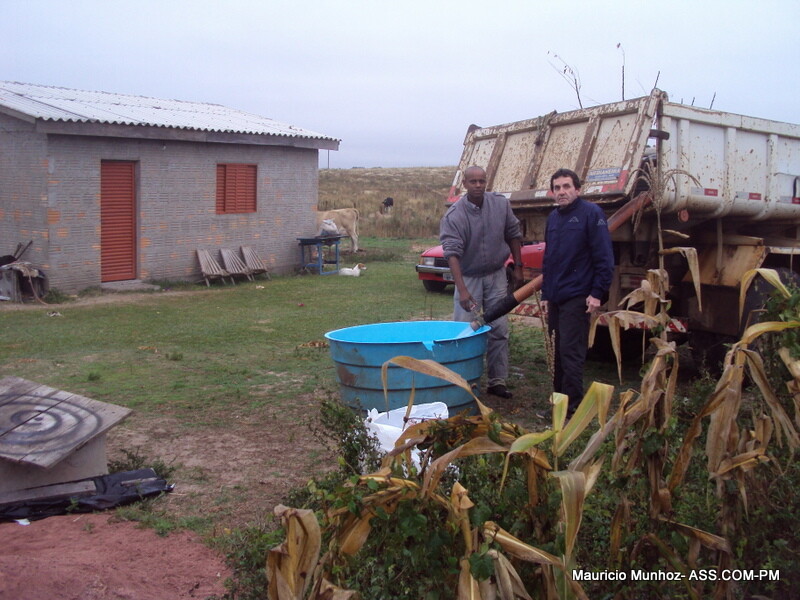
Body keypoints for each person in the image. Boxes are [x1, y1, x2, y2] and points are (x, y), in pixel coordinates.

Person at [440, 165, 523, 399]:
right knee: (466, 331)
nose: (477, 185)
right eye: (472, 181)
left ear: (486, 182)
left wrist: (518, 266)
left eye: (482, 181)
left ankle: (497, 381)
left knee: (499, 329)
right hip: (468, 277)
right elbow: (452, 254)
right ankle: (462, 382)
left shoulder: (500, 204)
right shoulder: (455, 215)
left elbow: (513, 234)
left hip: (496, 275)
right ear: (464, 184)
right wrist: (463, 290)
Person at [541, 168, 614, 414]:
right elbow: (549, 259)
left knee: (571, 353)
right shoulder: (553, 218)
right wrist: (546, 295)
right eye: (557, 188)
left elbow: (604, 257)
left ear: (577, 189)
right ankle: (557, 403)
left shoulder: (592, 214)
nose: (561, 192)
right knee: (556, 352)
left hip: (577, 295)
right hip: (556, 296)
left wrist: (597, 293)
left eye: (566, 186)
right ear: (553, 192)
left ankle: (572, 409)